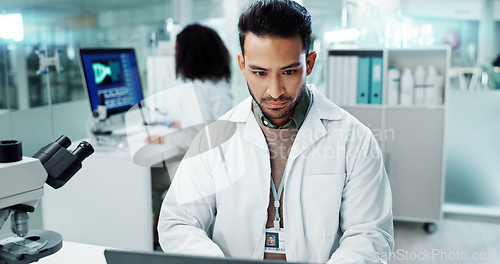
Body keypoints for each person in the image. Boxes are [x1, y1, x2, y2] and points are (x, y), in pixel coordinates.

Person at [158, 0, 394, 263]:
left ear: (310, 63)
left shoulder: (354, 140)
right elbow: (178, 222)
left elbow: (369, 234)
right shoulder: (214, 139)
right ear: (242, 65)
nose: (274, 91)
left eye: (289, 71)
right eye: (259, 73)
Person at [150, 23, 233, 249]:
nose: (175, 55)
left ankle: (155, 234)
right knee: (159, 174)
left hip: (206, 164)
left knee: (153, 181)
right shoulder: (218, 83)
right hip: (221, 162)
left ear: (190, 53)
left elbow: (198, 137)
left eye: (178, 49)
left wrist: (164, 138)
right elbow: (206, 124)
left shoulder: (196, 87)